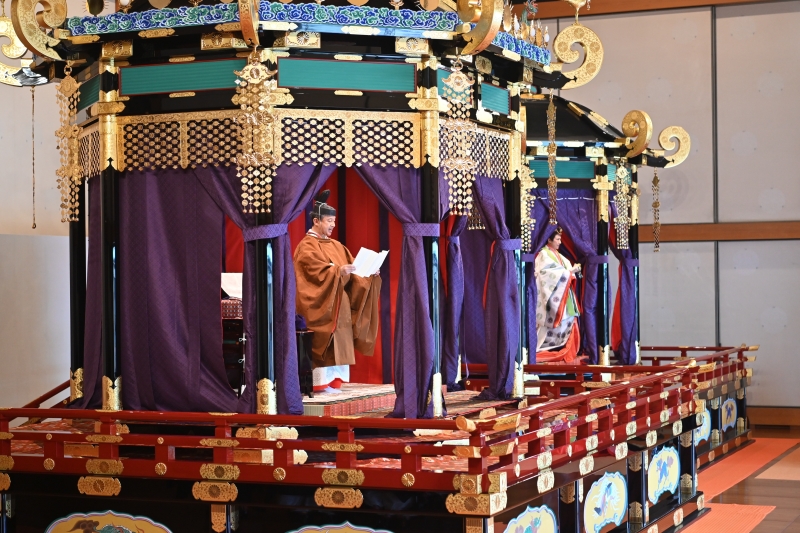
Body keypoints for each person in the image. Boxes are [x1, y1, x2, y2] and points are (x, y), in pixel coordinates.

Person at [293, 190, 382, 393]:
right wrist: (336, 271)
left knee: (340, 343)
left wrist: (369, 274)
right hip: (321, 306)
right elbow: (314, 273)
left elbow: (353, 271)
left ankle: (335, 381)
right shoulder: (306, 246)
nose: (333, 225)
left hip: (340, 306)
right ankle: (319, 384)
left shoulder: (337, 246)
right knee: (323, 341)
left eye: (334, 221)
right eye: (329, 221)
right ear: (316, 221)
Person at [534, 227, 582, 362]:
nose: (560, 242)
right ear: (549, 239)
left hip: (564, 295)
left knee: (568, 322)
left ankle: (564, 352)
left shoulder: (561, 257)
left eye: (560, 239)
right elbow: (545, 273)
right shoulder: (543, 254)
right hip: (551, 296)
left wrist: (572, 271)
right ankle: (537, 351)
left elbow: (565, 271)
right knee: (545, 327)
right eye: (557, 239)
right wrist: (569, 272)